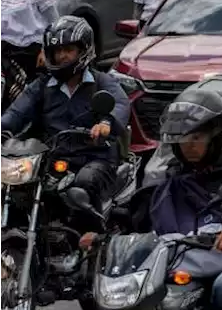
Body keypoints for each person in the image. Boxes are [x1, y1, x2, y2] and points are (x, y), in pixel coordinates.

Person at [80, 89, 222, 310]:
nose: (188, 145)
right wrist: (103, 237)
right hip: (180, 258)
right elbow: (139, 216)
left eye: (196, 137)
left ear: (216, 136)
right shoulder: (171, 176)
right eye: (183, 138)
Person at [0, 16, 129, 210]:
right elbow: (16, 113)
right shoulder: (42, 85)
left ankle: (91, 233)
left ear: (83, 50)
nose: (62, 56)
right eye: (57, 51)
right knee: (16, 187)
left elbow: (120, 104)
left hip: (95, 156)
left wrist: (106, 123)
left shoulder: (102, 82)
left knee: (84, 184)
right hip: (51, 158)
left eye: (69, 50)